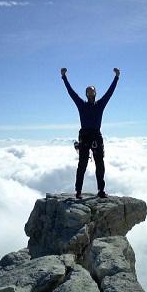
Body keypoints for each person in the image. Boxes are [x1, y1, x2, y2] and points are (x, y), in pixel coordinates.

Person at [61, 67, 120, 199]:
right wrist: (64, 77)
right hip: (86, 136)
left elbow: (110, 92)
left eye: (92, 91)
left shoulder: (100, 104)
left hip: (95, 136)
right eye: (88, 91)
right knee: (82, 164)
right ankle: (78, 191)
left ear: (95, 93)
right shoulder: (82, 104)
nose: (90, 93)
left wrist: (116, 77)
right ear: (86, 94)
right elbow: (71, 92)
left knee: (99, 164)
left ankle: (100, 190)